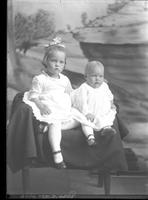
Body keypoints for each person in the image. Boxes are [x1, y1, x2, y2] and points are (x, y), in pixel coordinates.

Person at [23, 37, 79, 169]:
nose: (57, 65)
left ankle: (48, 128)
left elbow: (71, 93)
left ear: (65, 64)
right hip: (50, 108)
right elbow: (34, 95)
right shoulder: (40, 79)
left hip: (62, 108)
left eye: (61, 62)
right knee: (55, 122)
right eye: (54, 61)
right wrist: (41, 106)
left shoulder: (64, 79)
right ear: (46, 61)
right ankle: (57, 153)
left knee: (79, 120)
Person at [71, 60, 117, 147]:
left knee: (108, 117)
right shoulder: (84, 88)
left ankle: (107, 128)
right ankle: (90, 137)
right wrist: (86, 113)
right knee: (85, 122)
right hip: (89, 113)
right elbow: (82, 102)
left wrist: (111, 103)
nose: (97, 79)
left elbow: (109, 95)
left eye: (100, 76)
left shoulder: (104, 86)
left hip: (101, 111)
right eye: (94, 76)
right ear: (86, 77)